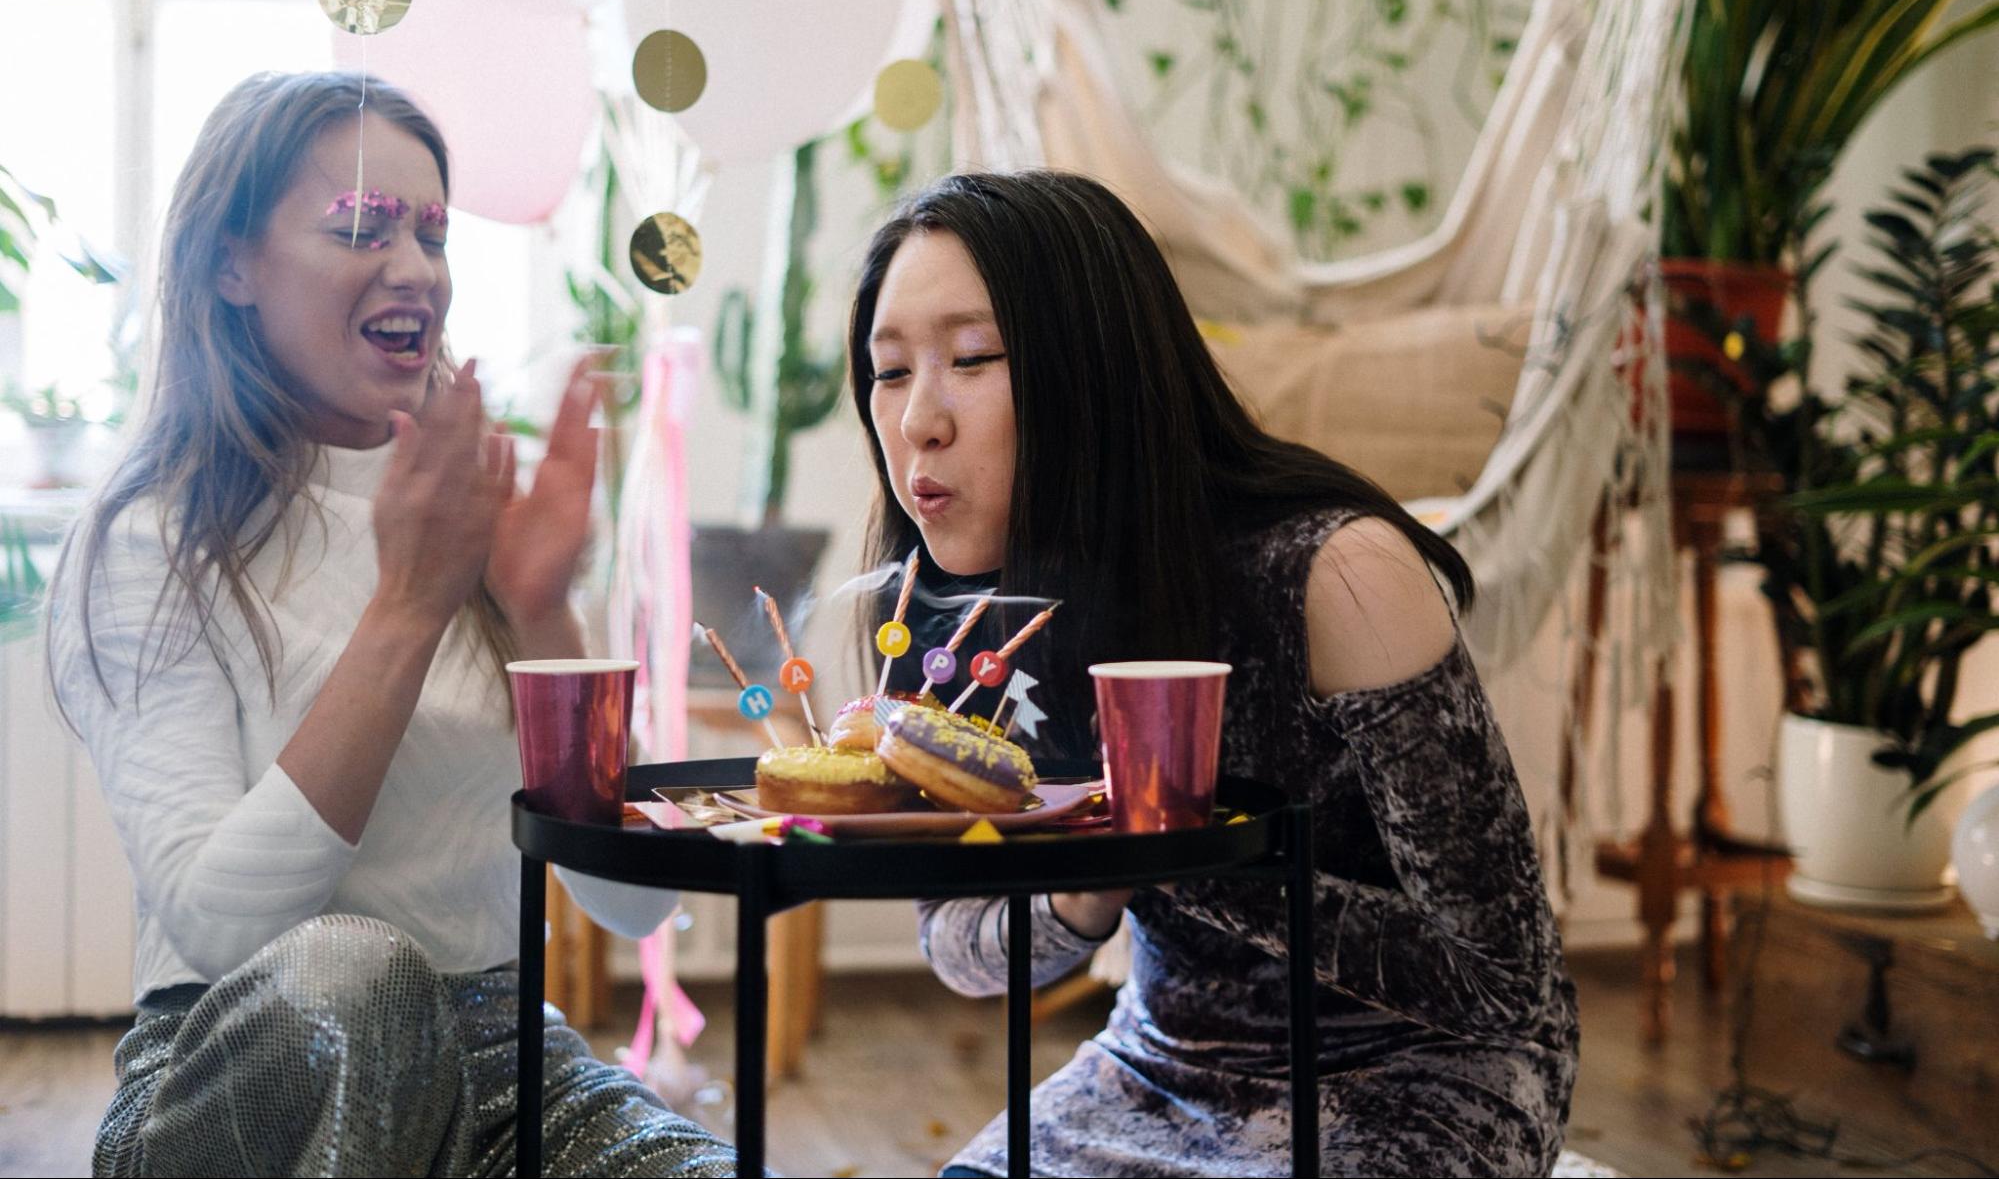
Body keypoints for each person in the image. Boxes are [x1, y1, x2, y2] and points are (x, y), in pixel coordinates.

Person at [44, 70, 737, 1178]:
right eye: (362, 225)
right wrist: (410, 606)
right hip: (237, 1074)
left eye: (431, 232)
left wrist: (543, 610)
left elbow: (636, 900)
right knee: (356, 980)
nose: (414, 267)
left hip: (507, 1065)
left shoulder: (475, 504)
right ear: (229, 264)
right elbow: (223, 934)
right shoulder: (149, 539)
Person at [851, 170, 1579, 1177]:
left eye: (972, 357)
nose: (916, 421)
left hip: (1419, 1069)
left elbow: (1500, 984)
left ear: (1094, 372)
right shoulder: (961, 625)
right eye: (889, 372)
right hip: (1157, 1064)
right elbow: (953, 939)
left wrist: (1181, 849)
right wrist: (1080, 897)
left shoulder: (1336, 576)